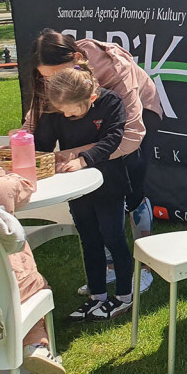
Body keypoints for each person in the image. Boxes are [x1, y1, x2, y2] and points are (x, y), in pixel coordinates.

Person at [27, 31, 162, 294]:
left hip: (138, 119)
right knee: (96, 196)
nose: (51, 83)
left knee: (132, 191)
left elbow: (131, 135)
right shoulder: (55, 78)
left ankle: (145, 267)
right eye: (46, 78)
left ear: (77, 59)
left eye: (56, 76)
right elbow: (38, 115)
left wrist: (73, 155)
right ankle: (110, 267)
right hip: (96, 124)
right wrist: (24, 139)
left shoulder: (115, 68)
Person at [33, 66, 135, 321]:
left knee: (113, 237)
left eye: (71, 111)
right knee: (89, 239)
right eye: (61, 111)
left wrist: (84, 159)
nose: (65, 115)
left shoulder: (111, 102)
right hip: (76, 187)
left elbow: (113, 139)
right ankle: (97, 295)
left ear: (90, 99)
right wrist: (33, 156)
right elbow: (42, 143)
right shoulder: (58, 109)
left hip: (109, 183)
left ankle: (125, 295)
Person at [0, 167, 66, 374]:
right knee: (35, 286)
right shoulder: (2, 187)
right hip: (8, 294)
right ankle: (35, 345)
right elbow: (24, 188)